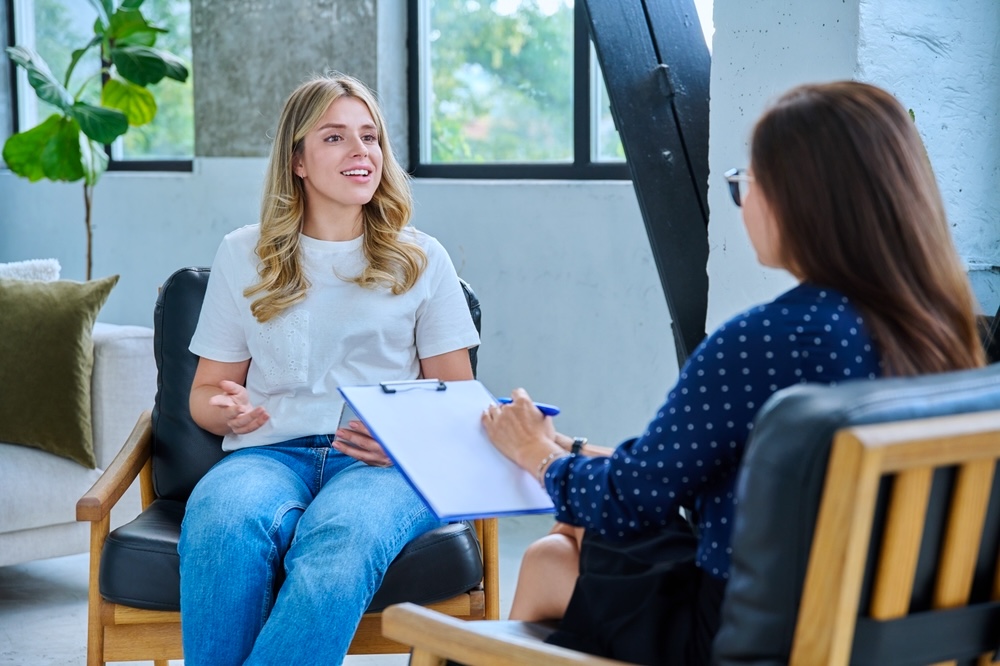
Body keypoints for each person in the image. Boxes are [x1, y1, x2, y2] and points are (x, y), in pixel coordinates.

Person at [482, 80, 985, 665]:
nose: (745, 203)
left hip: (751, 640)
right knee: (563, 552)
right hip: (894, 636)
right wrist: (564, 447)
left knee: (553, 555)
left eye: (747, 184)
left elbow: (628, 502)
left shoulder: (766, 341)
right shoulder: (942, 333)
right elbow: (680, 469)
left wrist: (538, 459)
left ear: (801, 201)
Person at [177, 73, 480, 666]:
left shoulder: (421, 258)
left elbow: (456, 398)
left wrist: (403, 437)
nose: (361, 152)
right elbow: (206, 394)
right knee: (221, 519)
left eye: (370, 137)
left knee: (340, 538)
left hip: (384, 464)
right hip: (268, 454)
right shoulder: (244, 253)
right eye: (336, 137)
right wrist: (228, 408)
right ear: (297, 160)